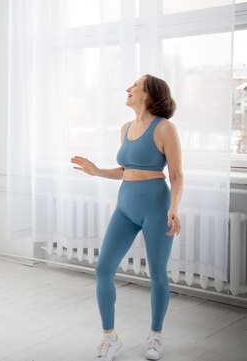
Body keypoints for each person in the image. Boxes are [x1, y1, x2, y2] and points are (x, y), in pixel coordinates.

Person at [71, 75, 183, 361]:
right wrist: (96, 171)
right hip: (125, 206)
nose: (128, 88)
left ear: (150, 93)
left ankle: (155, 336)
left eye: (135, 85)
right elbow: (125, 170)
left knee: (157, 273)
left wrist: (174, 207)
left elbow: (176, 175)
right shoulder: (125, 128)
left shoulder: (165, 129)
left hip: (156, 207)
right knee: (103, 269)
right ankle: (110, 338)